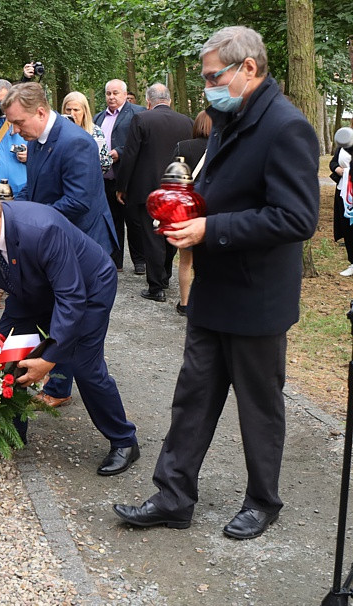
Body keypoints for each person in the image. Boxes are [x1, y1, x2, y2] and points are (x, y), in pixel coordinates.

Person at [113, 26, 319, 540]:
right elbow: (215, 188)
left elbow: (296, 218)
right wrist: (182, 214)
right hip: (213, 287)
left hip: (257, 295)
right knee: (193, 397)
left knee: (258, 406)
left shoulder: (286, 126)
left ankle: (263, 501)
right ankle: (173, 496)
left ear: (248, 67)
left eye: (212, 77)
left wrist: (211, 229)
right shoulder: (230, 119)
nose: (206, 87)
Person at [0, 188, 139, 475]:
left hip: (88, 288)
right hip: (31, 289)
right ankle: (11, 430)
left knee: (84, 366)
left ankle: (124, 441)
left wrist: (49, 358)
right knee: (6, 350)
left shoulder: (43, 230)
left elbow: (71, 298)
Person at [4, 82, 118, 409]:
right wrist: (7, 210)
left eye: (19, 122)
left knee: (78, 329)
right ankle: (58, 385)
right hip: (55, 240)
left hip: (85, 243)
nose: (15, 130)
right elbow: (33, 190)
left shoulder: (76, 142)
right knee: (58, 315)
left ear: (41, 112)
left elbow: (79, 202)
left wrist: (29, 220)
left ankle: (71, 391)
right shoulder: (37, 140)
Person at [116, 84, 194, 304]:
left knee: (152, 237)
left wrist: (122, 186)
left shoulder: (141, 119)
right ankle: (165, 275)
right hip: (177, 188)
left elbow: (130, 154)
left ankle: (156, 286)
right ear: (170, 100)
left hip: (148, 189)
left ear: (148, 102)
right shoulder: (187, 122)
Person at [95, 79, 146, 273]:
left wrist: (120, 152)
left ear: (125, 95)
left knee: (133, 220)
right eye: (108, 93)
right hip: (106, 178)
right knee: (112, 221)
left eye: (115, 93)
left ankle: (140, 261)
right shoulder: (98, 117)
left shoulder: (138, 113)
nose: (111, 97)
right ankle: (115, 261)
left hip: (128, 178)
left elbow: (141, 142)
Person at [172, 110, 212, 314]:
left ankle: (185, 303)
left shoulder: (183, 146)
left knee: (185, 261)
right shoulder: (222, 148)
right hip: (212, 209)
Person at [61, 91, 112, 172]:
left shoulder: (95, 132)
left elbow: (105, 164)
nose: (72, 114)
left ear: (84, 111)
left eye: (76, 110)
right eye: (68, 110)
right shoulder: (58, 132)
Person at [330, 119, 353, 276]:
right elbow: (333, 163)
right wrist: (338, 169)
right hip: (343, 191)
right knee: (347, 227)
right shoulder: (345, 141)